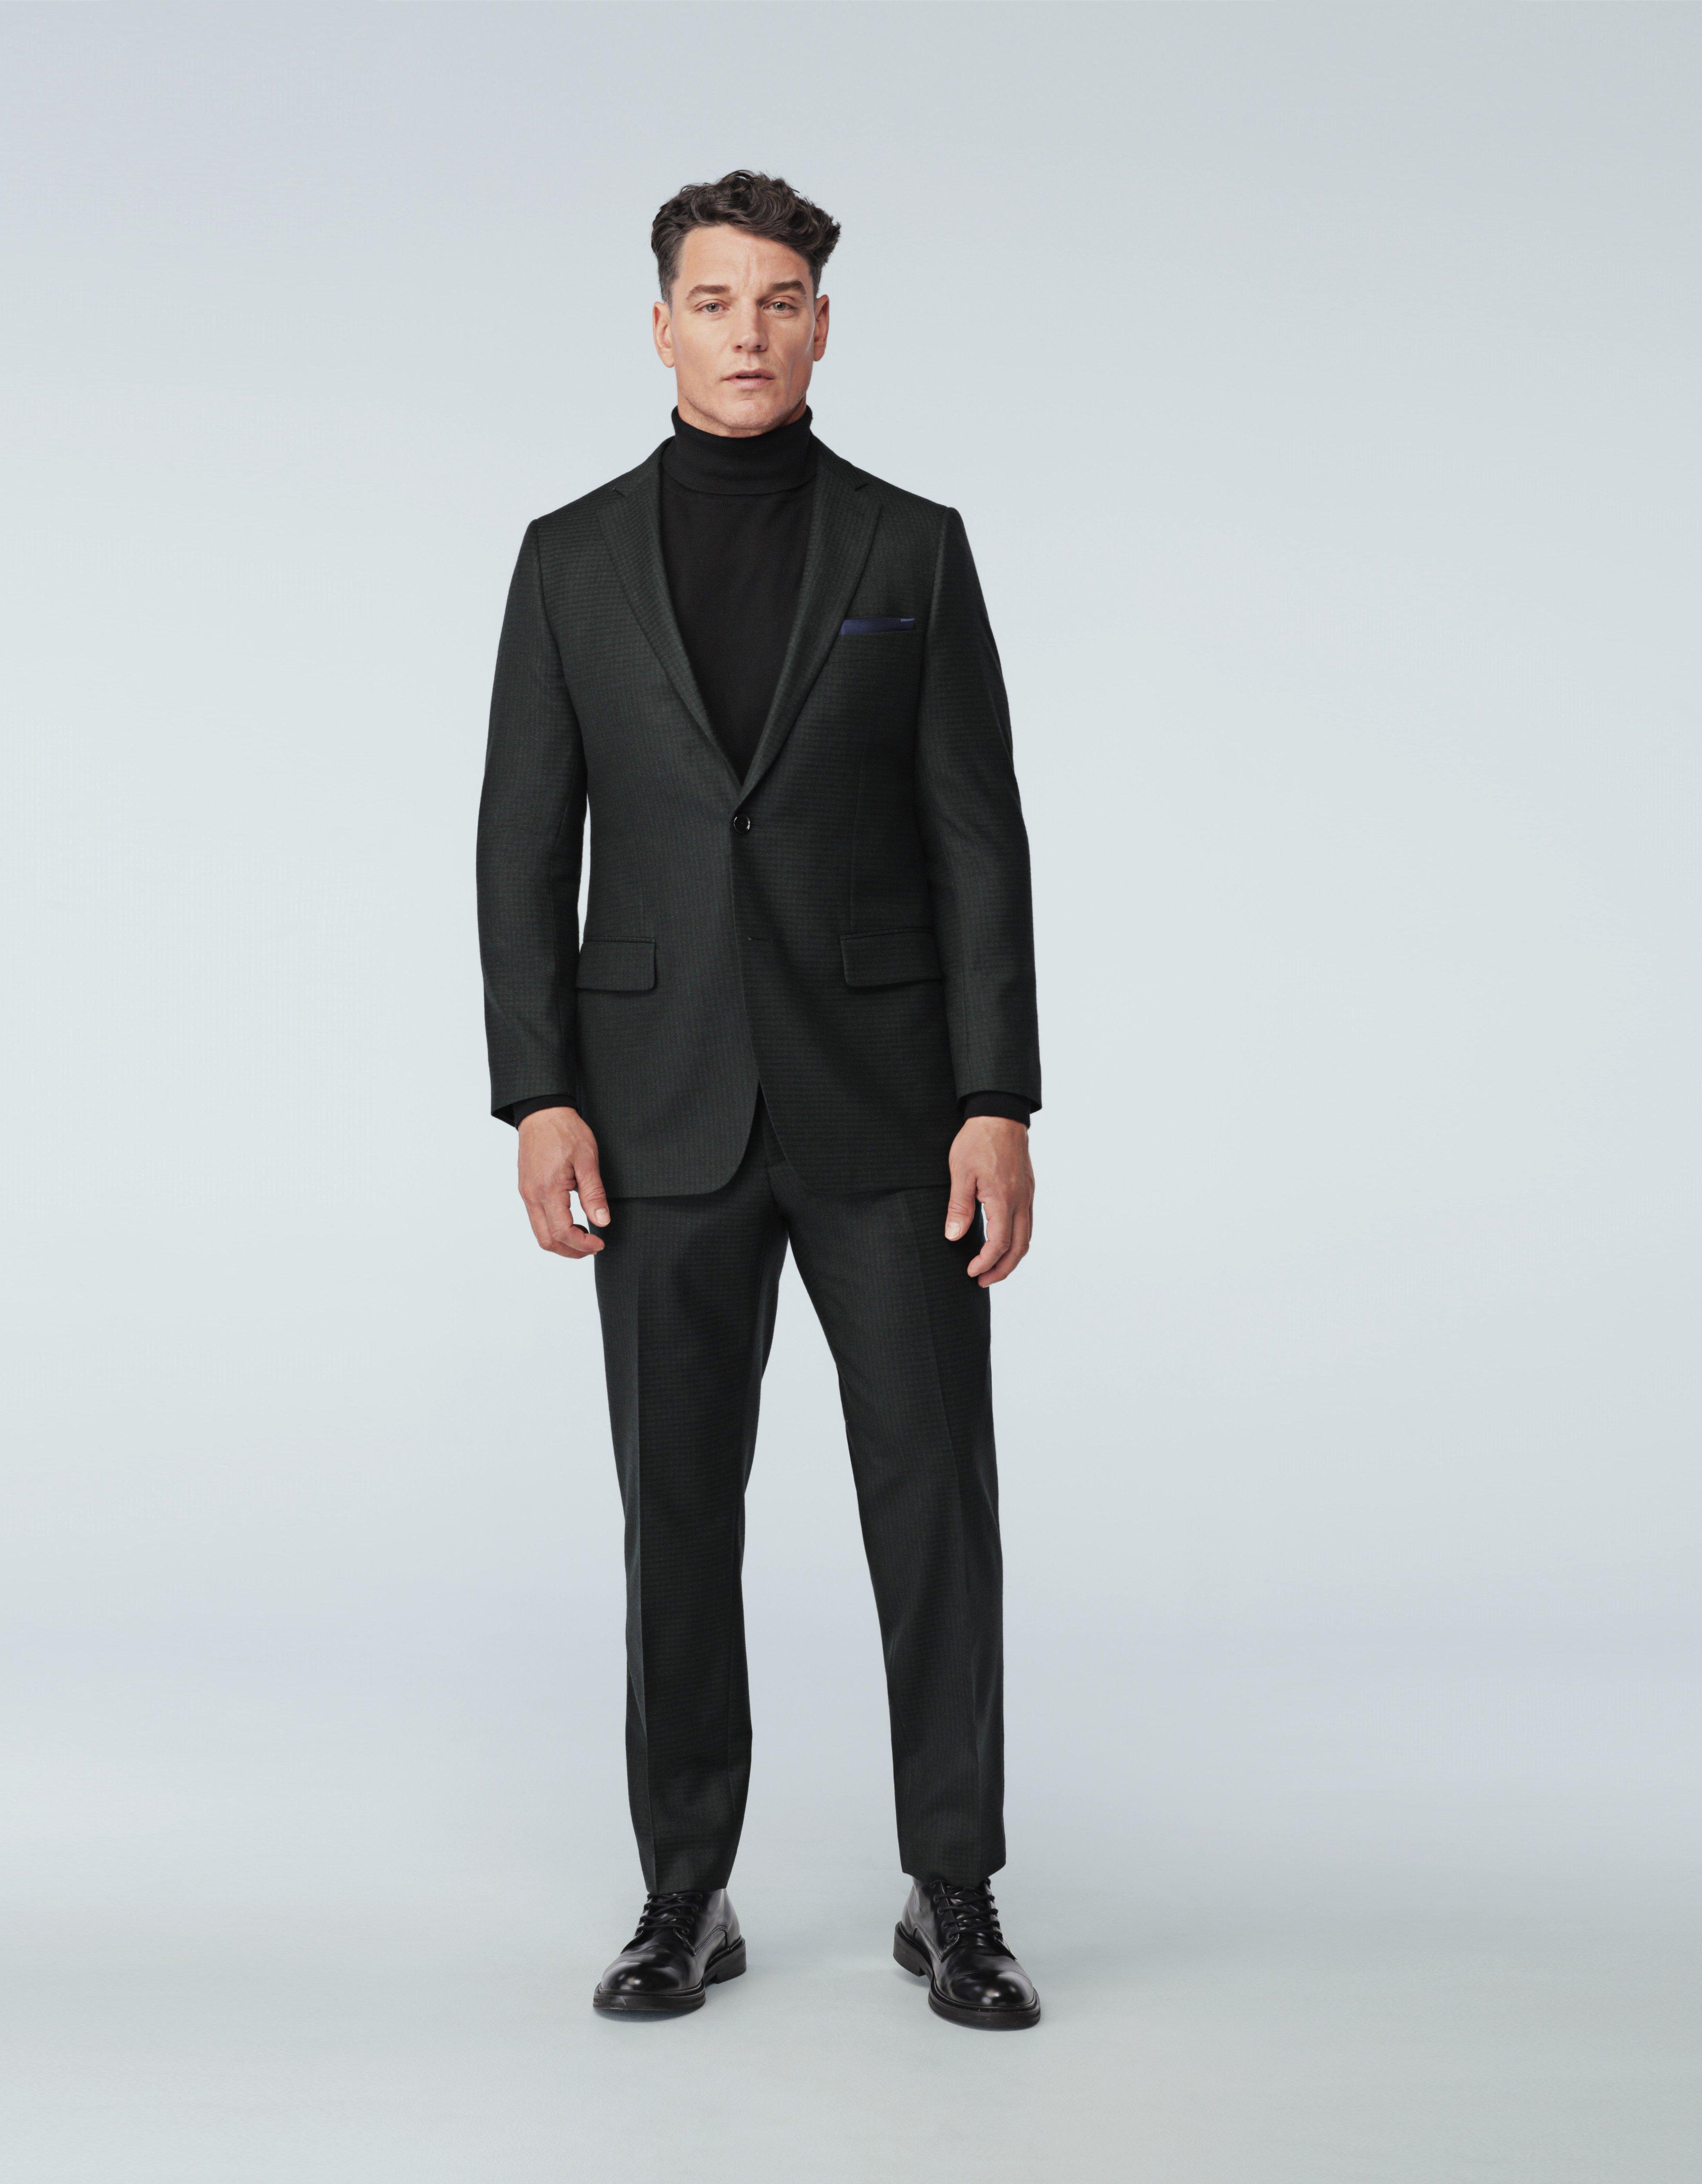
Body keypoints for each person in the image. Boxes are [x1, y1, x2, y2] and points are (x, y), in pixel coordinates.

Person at [476, 170, 1043, 2030]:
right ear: (661, 328)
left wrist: (996, 1095)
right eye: (713, 301)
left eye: (779, 300)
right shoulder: (568, 559)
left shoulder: (911, 549)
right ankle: (682, 1892)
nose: (747, 330)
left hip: (890, 1111)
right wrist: (538, 1095)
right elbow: (520, 845)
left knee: (934, 1504)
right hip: (654, 1116)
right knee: (677, 1515)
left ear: (821, 327)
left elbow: (978, 841)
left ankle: (953, 1890)